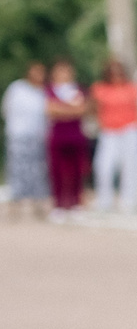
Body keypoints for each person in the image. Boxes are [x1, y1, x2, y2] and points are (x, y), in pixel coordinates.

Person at [88, 57, 137, 214]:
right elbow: (92, 109)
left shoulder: (133, 88)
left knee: (129, 166)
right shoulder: (99, 88)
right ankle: (104, 199)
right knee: (104, 166)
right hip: (109, 131)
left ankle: (129, 200)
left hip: (129, 129)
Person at [44, 60, 90, 218]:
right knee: (57, 171)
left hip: (75, 135)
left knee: (77, 170)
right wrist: (71, 109)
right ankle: (59, 204)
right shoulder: (50, 89)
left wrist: (62, 109)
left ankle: (76, 203)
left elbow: (82, 110)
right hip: (58, 135)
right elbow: (51, 110)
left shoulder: (78, 89)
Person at [5, 61, 50, 215]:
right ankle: (16, 201)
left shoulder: (44, 91)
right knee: (17, 169)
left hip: (38, 135)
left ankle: (38, 202)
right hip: (18, 135)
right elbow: (6, 109)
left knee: (38, 170)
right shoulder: (17, 88)